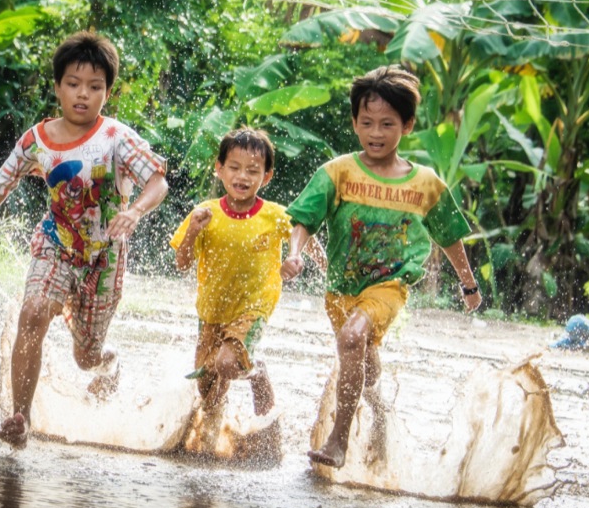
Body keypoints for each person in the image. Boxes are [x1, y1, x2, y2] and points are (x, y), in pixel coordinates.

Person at [0, 31, 168, 448]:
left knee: (85, 356)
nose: (82, 94)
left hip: (104, 258)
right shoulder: (37, 140)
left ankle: (108, 364)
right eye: (73, 84)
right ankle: (20, 418)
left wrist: (134, 211)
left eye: (94, 87)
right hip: (56, 244)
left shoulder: (116, 137)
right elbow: (1, 182)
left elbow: (157, 182)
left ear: (107, 92)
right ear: (57, 87)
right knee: (33, 313)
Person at [280, 65, 482, 468]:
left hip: (390, 286)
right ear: (355, 123)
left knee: (353, 338)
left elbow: (448, 235)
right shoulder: (336, 173)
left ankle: (338, 440)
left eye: (387, 123)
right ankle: (380, 413)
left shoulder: (424, 183)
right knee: (365, 365)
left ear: (406, 125)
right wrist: (295, 252)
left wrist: (468, 284)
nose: (376, 132)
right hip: (341, 288)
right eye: (367, 122)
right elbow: (303, 218)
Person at [170, 128, 325, 418]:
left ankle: (256, 374)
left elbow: (306, 238)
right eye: (234, 168)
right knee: (207, 390)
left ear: (266, 177)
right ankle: (211, 439)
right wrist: (192, 231)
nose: (242, 177)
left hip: (254, 306)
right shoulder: (204, 213)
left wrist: (301, 258)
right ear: (219, 169)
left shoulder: (276, 215)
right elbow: (181, 263)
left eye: (253, 171)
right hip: (212, 310)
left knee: (228, 364)